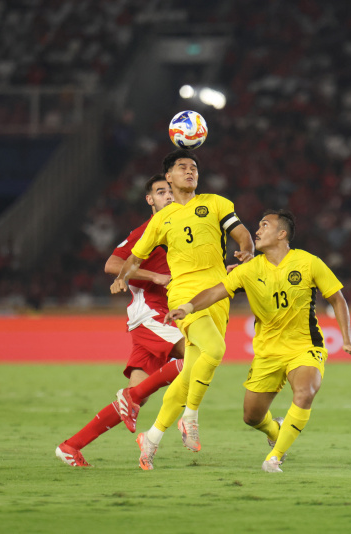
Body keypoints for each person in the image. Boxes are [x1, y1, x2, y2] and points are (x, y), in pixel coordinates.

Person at [166, 209, 351, 472]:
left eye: (264, 225)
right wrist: (188, 307)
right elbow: (217, 291)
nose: (257, 231)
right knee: (251, 416)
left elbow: (337, 298)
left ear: (282, 234)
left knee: (305, 392)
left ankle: (274, 457)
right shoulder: (249, 269)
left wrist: (347, 339)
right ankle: (275, 430)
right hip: (267, 353)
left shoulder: (309, 263)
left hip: (304, 347)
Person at [111, 149, 254, 470]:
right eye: (182, 168)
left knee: (191, 370)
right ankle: (190, 416)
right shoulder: (162, 219)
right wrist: (121, 276)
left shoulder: (216, 203)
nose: (189, 171)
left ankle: (151, 437)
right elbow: (135, 256)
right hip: (183, 294)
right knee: (216, 349)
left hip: (218, 294)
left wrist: (246, 250)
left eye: (193, 168)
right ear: (170, 177)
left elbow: (241, 233)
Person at [56, 174, 187, 467]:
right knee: (197, 356)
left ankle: (70, 446)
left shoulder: (182, 231)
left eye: (170, 191)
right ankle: (187, 420)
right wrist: (152, 276)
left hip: (164, 316)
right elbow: (112, 264)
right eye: (160, 192)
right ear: (150, 200)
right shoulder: (146, 231)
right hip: (150, 314)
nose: (167, 196)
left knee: (135, 397)